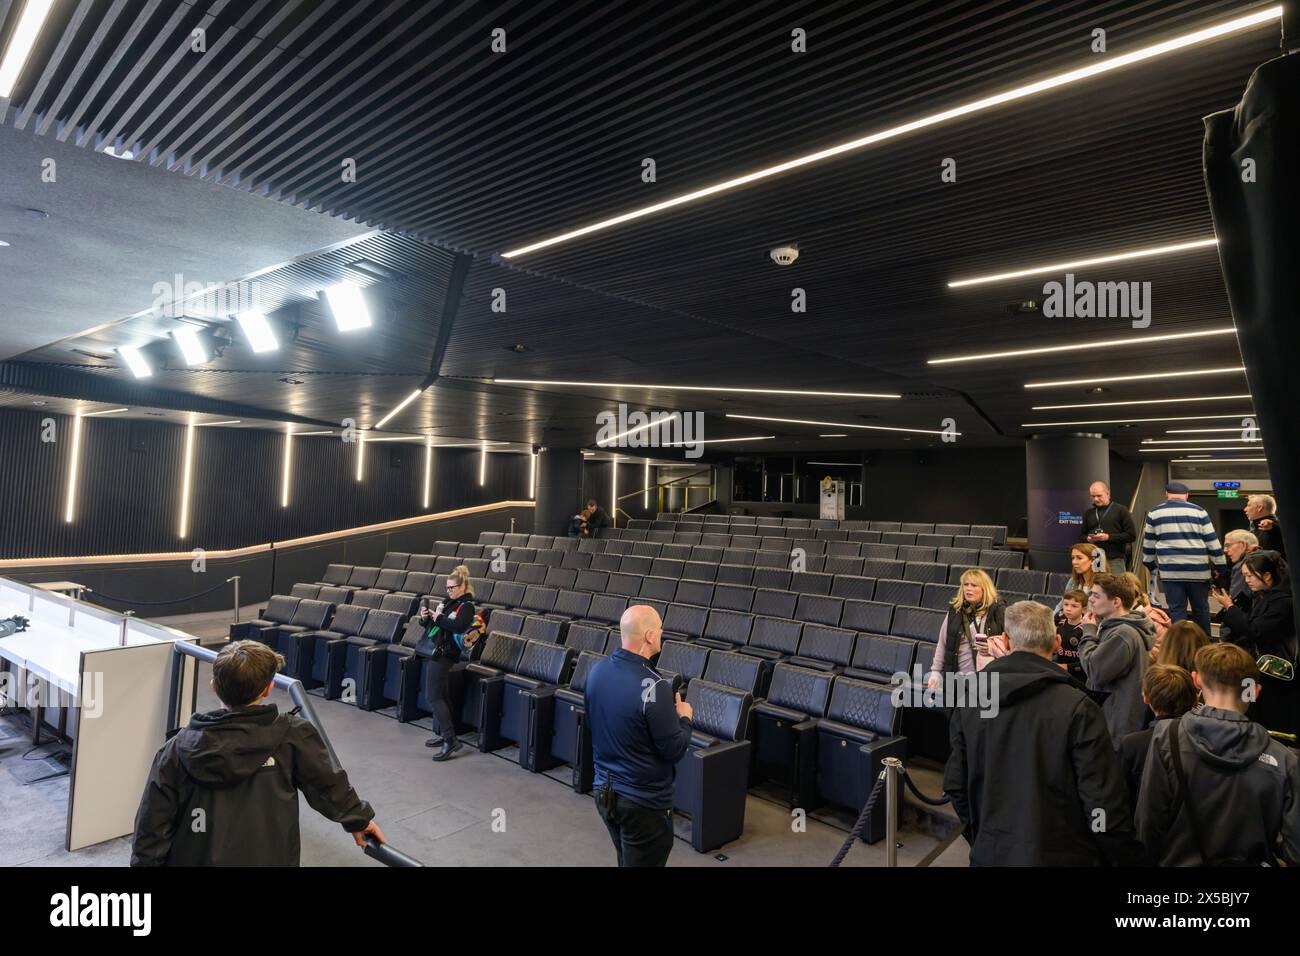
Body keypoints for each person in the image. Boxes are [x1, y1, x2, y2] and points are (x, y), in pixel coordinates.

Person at [131, 640, 382, 866]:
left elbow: (151, 827)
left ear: (214, 686)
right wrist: (359, 821)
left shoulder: (176, 748)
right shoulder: (293, 736)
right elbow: (329, 786)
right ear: (267, 689)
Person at [943, 601, 1143, 866]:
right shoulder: (1080, 708)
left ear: (1006, 640)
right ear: (1057, 642)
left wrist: (982, 835)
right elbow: (1101, 803)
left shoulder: (972, 697)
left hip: (991, 852)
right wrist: (1118, 855)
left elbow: (956, 785)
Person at [1136, 643, 1300, 866]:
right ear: (1254, 691)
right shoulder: (1283, 759)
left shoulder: (1167, 737)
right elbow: (1294, 847)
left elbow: (1149, 821)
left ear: (1196, 680)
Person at [584, 605, 693, 866]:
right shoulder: (655, 686)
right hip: (642, 804)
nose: (661, 634)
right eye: (659, 630)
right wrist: (685, 717)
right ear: (649, 636)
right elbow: (674, 749)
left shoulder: (597, 671)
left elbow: (593, 724)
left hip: (605, 793)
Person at [1212, 551, 1298, 734]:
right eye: (1244, 576)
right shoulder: (1259, 596)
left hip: (1271, 671)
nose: (1247, 580)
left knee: (1264, 711)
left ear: (1267, 575)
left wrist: (1231, 607)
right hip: (1253, 667)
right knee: (1249, 705)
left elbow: (1255, 631)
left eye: (1250, 575)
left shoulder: (1283, 602)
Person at [1078, 573, 1158, 744]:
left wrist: (1088, 633)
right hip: (1112, 721)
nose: (1090, 599)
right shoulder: (1116, 628)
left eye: (1096, 595)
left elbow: (1096, 671)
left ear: (1116, 602)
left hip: (1116, 727)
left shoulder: (1123, 634)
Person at [1140, 481, 1226, 635]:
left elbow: (1148, 544)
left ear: (1167, 494)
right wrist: (1220, 567)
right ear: (1187, 495)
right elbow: (1212, 541)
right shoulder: (1200, 512)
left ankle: (1179, 648)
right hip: (1199, 572)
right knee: (1201, 610)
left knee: (1176, 611)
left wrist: (1151, 564)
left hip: (1171, 573)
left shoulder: (1154, 513)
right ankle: (1205, 645)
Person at [419, 565, 478, 761]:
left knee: (433, 696)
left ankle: (451, 740)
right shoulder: (447, 602)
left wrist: (441, 618)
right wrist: (425, 619)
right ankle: (446, 735)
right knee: (442, 694)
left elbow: (459, 626)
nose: (449, 591)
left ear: (462, 587)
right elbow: (435, 627)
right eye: (447, 588)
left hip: (446, 654)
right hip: (436, 650)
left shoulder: (467, 606)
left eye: (452, 588)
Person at [1118, 664, 1197, 807]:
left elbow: (1121, 797)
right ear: (1194, 699)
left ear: (1146, 697)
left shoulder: (1132, 744)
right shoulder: (1203, 739)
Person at [926, 569, 1006, 691]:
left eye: (974, 585)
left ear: (984, 589)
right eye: (965, 584)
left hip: (986, 680)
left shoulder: (998, 612)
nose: (968, 588)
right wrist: (935, 672)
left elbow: (1011, 644)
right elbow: (943, 643)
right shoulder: (955, 611)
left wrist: (991, 647)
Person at [1081, 480, 1137, 572]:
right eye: (1093, 496)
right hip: (1096, 558)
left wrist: (1108, 537)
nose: (1095, 499)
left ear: (1108, 493)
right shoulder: (1089, 513)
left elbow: (1131, 535)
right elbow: (1081, 536)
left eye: (1099, 496)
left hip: (1115, 559)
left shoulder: (1121, 510)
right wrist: (1088, 539)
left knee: (1116, 585)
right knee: (1098, 586)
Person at [1215, 530, 1261, 642]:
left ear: (1243, 545)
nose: (1225, 550)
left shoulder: (1243, 567)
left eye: (1228, 545)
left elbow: (1236, 606)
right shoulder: (1262, 561)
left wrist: (1224, 640)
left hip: (1242, 637)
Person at [1053, 542, 1107, 616]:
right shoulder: (1073, 581)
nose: (1074, 562)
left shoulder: (1104, 584)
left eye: (1079, 558)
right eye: (1073, 558)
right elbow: (1061, 605)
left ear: (1093, 560)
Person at [1053, 588, 1088, 683]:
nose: (1068, 608)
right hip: (1059, 670)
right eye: (1066, 604)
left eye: (1074, 606)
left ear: (1084, 609)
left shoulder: (1086, 629)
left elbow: (1089, 661)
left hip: (1079, 677)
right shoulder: (1059, 620)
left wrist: (1068, 667)